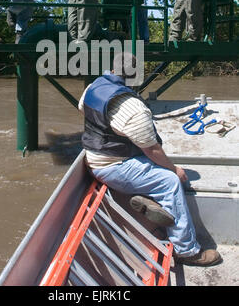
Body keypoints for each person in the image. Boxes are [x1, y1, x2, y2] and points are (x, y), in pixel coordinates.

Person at [78, 52, 221, 267]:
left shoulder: (93, 88)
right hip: (112, 166)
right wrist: (175, 170)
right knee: (169, 181)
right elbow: (153, 149)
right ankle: (187, 251)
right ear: (136, 75)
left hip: (94, 156)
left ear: (113, 69)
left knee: (154, 165)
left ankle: (151, 202)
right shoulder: (132, 107)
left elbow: (85, 111)